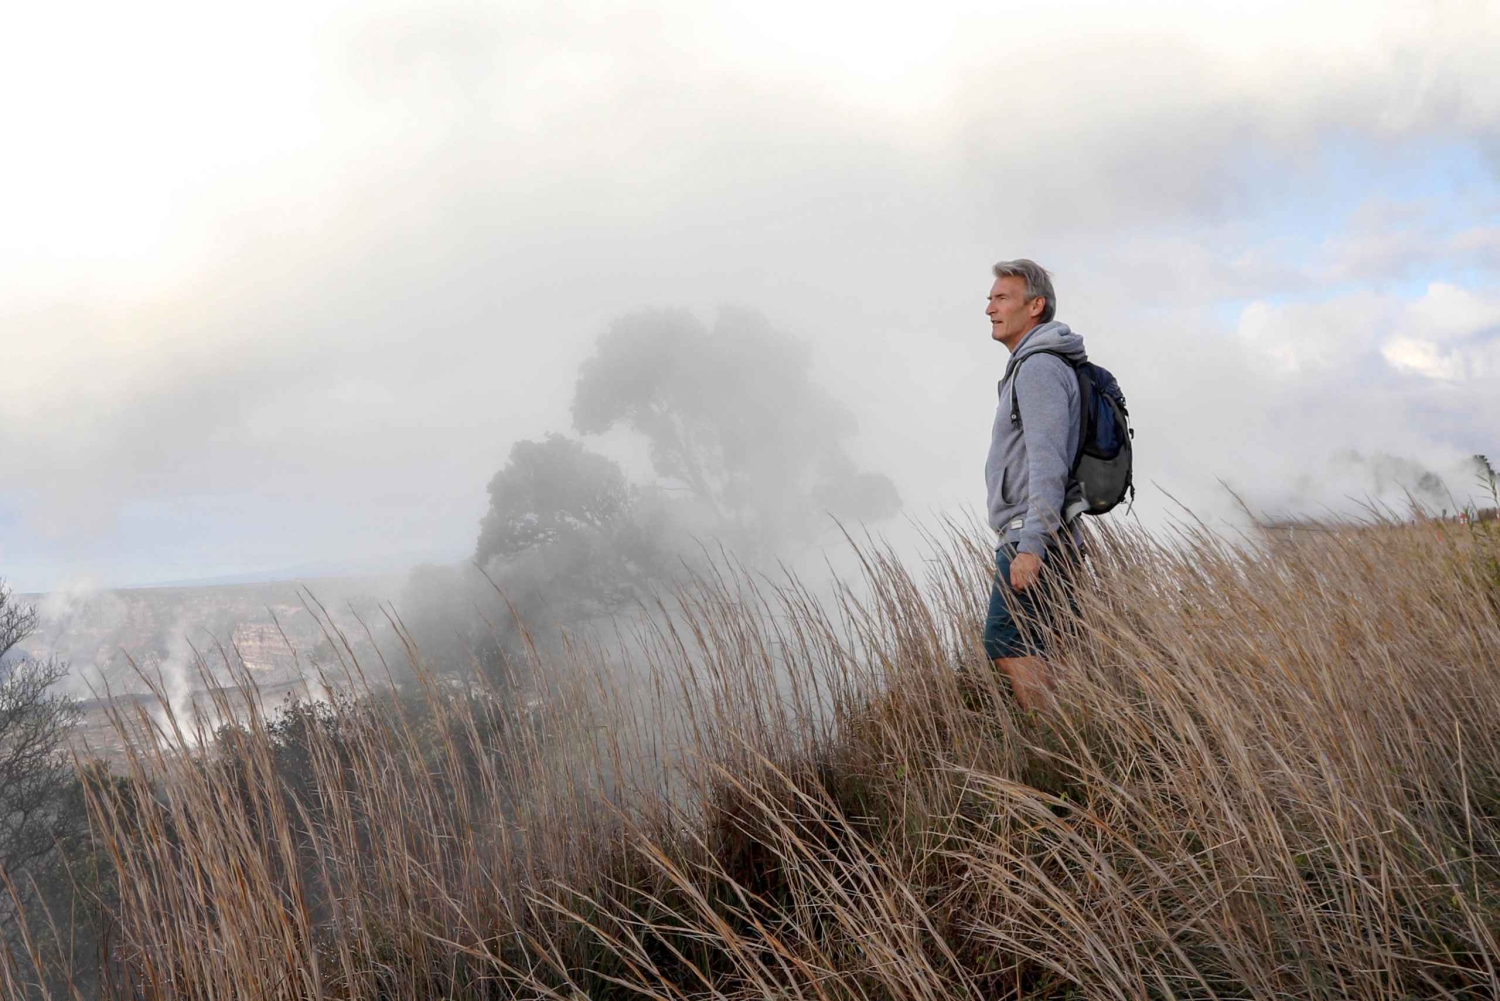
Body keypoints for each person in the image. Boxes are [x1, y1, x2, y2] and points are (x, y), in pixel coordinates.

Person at [983, 259, 1085, 710]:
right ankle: (1067, 741)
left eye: (1002, 297)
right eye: (990, 298)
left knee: (1006, 640)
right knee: (1043, 645)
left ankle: (1053, 739)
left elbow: (1048, 464)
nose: (989, 308)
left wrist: (1031, 546)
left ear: (1035, 306)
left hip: (1035, 533)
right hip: (1043, 533)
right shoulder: (1035, 364)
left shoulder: (1039, 368)